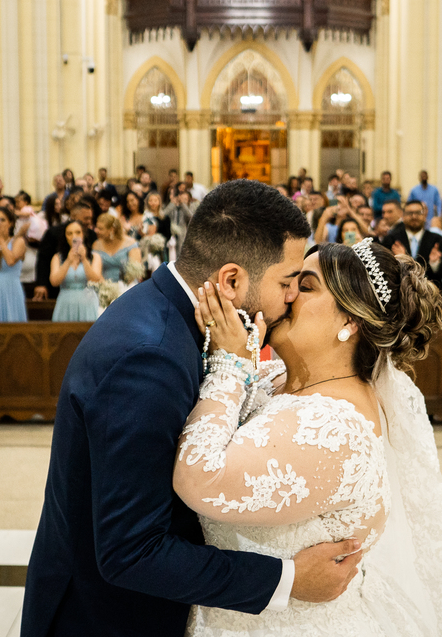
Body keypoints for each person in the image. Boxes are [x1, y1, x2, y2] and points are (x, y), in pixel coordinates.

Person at [21, 180, 369, 637]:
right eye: (286, 282)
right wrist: (286, 579)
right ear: (231, 280)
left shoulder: (169, 315)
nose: (291, 298)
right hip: (104, 618)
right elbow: (131, 551)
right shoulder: (150, 359)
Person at [174, 230, 442, 636]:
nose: (287, 295)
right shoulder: (277, 376)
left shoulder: (335, 429)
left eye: (305, 286)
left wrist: (229, 364)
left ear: (349, 321)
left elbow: (199, 476)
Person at [48, 220, 102, 322]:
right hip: (65, 302)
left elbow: (96, 280)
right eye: (69, 233)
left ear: (83, 234)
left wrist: (84, 259)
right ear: (65, 236)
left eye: (78, 232)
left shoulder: (94, 257)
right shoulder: (58, 257)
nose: (74, 236)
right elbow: (54, 282)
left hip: (88, 303)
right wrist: (68, 260)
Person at [385, 200, 442, 284]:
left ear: (424, 215)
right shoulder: (391, 240)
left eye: (418, 213)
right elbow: (386, 271)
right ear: (403, 216)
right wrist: (401, 259)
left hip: (429, 289)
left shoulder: (438, 240)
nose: (414, 216)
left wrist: (435, 263)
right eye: (410, 213)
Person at [94, 213, 143, 284]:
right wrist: (107, 287)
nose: (96, 231)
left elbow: (134, 271)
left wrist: (122, 287)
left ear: (111, 229)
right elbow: (96, 272)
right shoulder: (97, 245)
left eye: (100, 229)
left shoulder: (130, 243)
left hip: (128, 284)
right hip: (104, 286)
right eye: (97, 227)